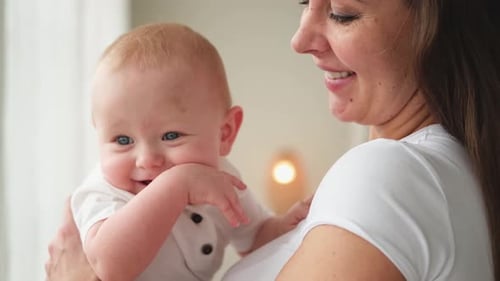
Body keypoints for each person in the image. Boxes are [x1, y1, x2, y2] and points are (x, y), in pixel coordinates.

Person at [46, 0, 500, 279]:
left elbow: (251, 232)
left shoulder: (394, 174)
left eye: (342, 13)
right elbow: (109, 260)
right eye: (121, 140)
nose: (300, 39)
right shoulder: (103, 194)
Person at [48, 22, 311, 281]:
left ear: (225, 133)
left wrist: (282, 226)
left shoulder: (219, 179)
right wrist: (176, 186)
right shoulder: (103, 192)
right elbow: (110, 266)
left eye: (171, 136)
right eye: (123, 139)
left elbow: (254, 238)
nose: (146, 159)